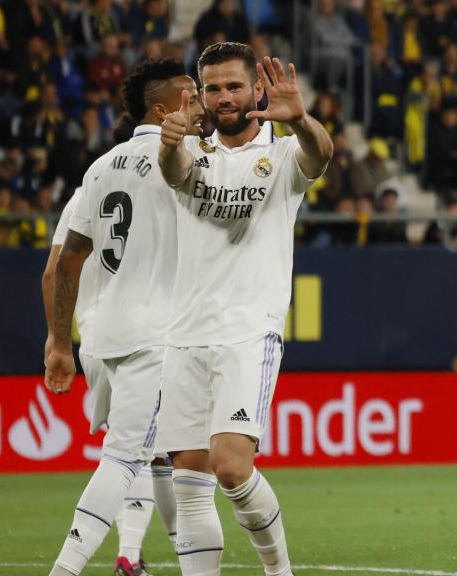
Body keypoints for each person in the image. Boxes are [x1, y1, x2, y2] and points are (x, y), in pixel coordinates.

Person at [156, 41, 332, 576]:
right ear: (201, 94)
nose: (224, 97)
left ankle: (279, 571)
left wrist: (299, 118)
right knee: (189, 482)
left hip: (248, 333)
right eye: (213, 88)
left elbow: (320, 155)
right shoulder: (192, 151)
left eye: (234, 86)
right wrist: (168, 143)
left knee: (231, 468)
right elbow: (173, 170)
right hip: (185, 334)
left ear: (257, 89)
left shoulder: (283, 156)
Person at [43, 58, 205, 576]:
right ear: (160, 110)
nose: (200, 105)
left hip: (104, 336)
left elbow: (67, 262)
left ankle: (177, 558)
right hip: (156, 338)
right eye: (190, 96)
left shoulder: (100, 168)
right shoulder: (187, 159)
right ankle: (69, 568)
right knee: (125, 458)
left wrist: (60, 342)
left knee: (165, 455)